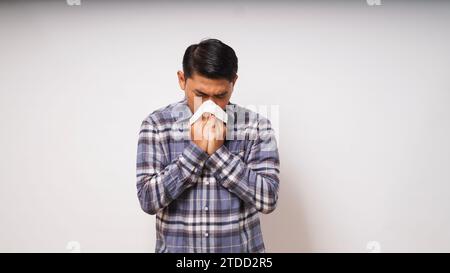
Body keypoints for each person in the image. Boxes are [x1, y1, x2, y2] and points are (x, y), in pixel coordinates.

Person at [136, 38, 280, 253]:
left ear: (234, 82)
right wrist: (196, 151)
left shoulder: (257, 126)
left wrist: (218, 153)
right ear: (182, 80)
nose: (210, 105)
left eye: (221, 95)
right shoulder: (156, 125)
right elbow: (148, 201)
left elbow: (268, 200)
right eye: (200, 94)